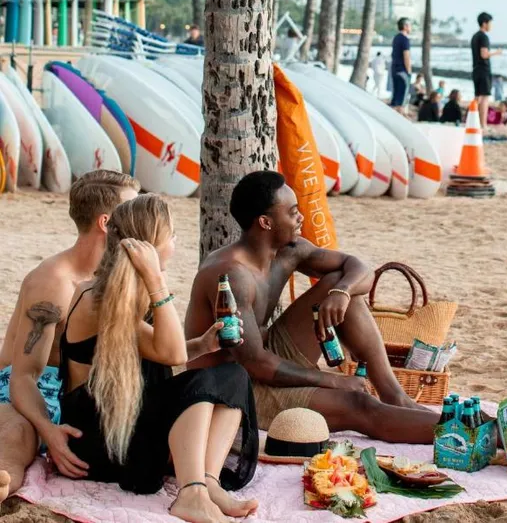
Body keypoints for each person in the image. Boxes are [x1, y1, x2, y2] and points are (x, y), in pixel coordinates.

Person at [185, 171, 440, 444]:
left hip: (265, 355)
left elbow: (360, 269)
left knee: (339, 284)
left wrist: (342, 293)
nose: (301, 217)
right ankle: (466, 433)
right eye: (292, 212)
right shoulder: (231, 275)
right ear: (265, 222)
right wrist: (332, 380)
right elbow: (255, 363)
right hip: (233, 385)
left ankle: (395, 395)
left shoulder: (289, 250)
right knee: (359, 405)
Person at [58, 194, 259, 521]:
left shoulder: (127, 294)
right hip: (100, 441)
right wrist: (155, 280)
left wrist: (201, 346)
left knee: (232, 375)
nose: (175, 242)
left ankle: (207, 483)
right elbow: (172, 353)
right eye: (172, 235)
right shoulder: (97, 298)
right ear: (151, 247)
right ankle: (191, 493)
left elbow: (160, 352)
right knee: (199, 384)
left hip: (130, 422)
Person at [1, 171, 140, 504]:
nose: (139, 219)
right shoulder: (53, 282)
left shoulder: (121, 275)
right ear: (106, 222)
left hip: (81, 393)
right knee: (17, 435)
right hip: (32, 390)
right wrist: (48, 431)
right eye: (131, 210)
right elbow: (23, 377)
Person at [471, 12, 503, 128]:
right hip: (483, 70)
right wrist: (497, 53)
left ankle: (473, 121)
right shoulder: (484, 37)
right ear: (484, 23)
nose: (491, 26)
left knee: (477, 97)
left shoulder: (475, 36)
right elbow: (484, 54)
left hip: (475, 69)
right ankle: (483, 124)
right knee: (484, 98)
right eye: (490, 23)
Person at [390, 18, 413, 114]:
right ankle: (400, 116)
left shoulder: (396, 38)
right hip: (402, 71)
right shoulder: (405, 39)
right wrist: (409, 71)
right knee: (402, 100)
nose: (411, 28)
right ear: (405, 26)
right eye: (410, 25)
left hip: (394, 70)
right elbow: (406, 56)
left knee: (396, 97)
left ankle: (393, 116)